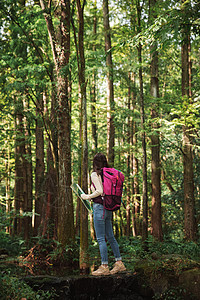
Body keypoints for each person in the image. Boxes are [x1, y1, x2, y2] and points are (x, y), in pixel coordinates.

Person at [81, 153, 126, 276]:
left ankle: (104, 266)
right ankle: (119, 263)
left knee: (101, 238)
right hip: (108, 208)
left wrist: (87, 196)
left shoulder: (95, 174)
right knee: (110, 237)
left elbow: (100, 191)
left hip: (99, 208)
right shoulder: (108, 174)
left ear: (94, 163)